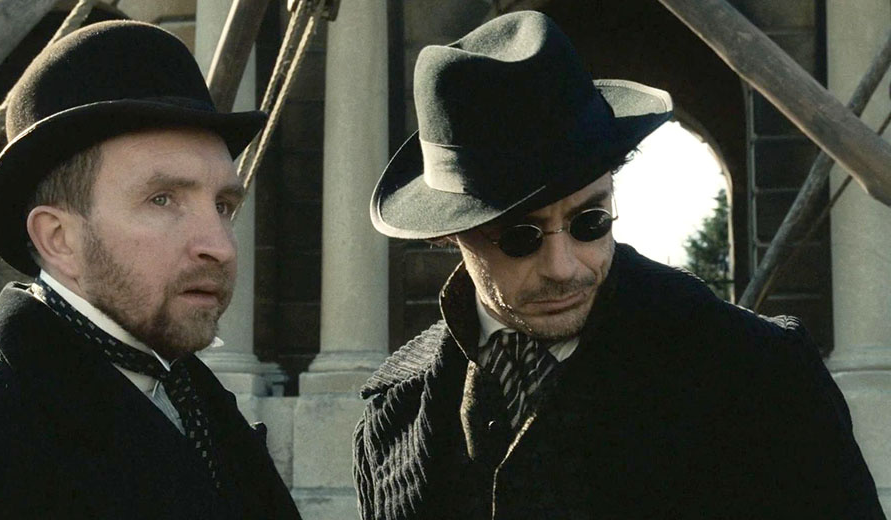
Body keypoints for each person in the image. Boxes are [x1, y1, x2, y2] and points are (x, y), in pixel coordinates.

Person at [353, 11, 883, 520]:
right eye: (519, 238)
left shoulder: (760, 376)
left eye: (589, 222)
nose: (564, 267)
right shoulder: (395, 408)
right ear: (449, 234)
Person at [0, 21, 301, 519]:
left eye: (223, 205)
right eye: (163, 199)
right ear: (58, 239)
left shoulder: (202, 404)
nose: (220, 247)